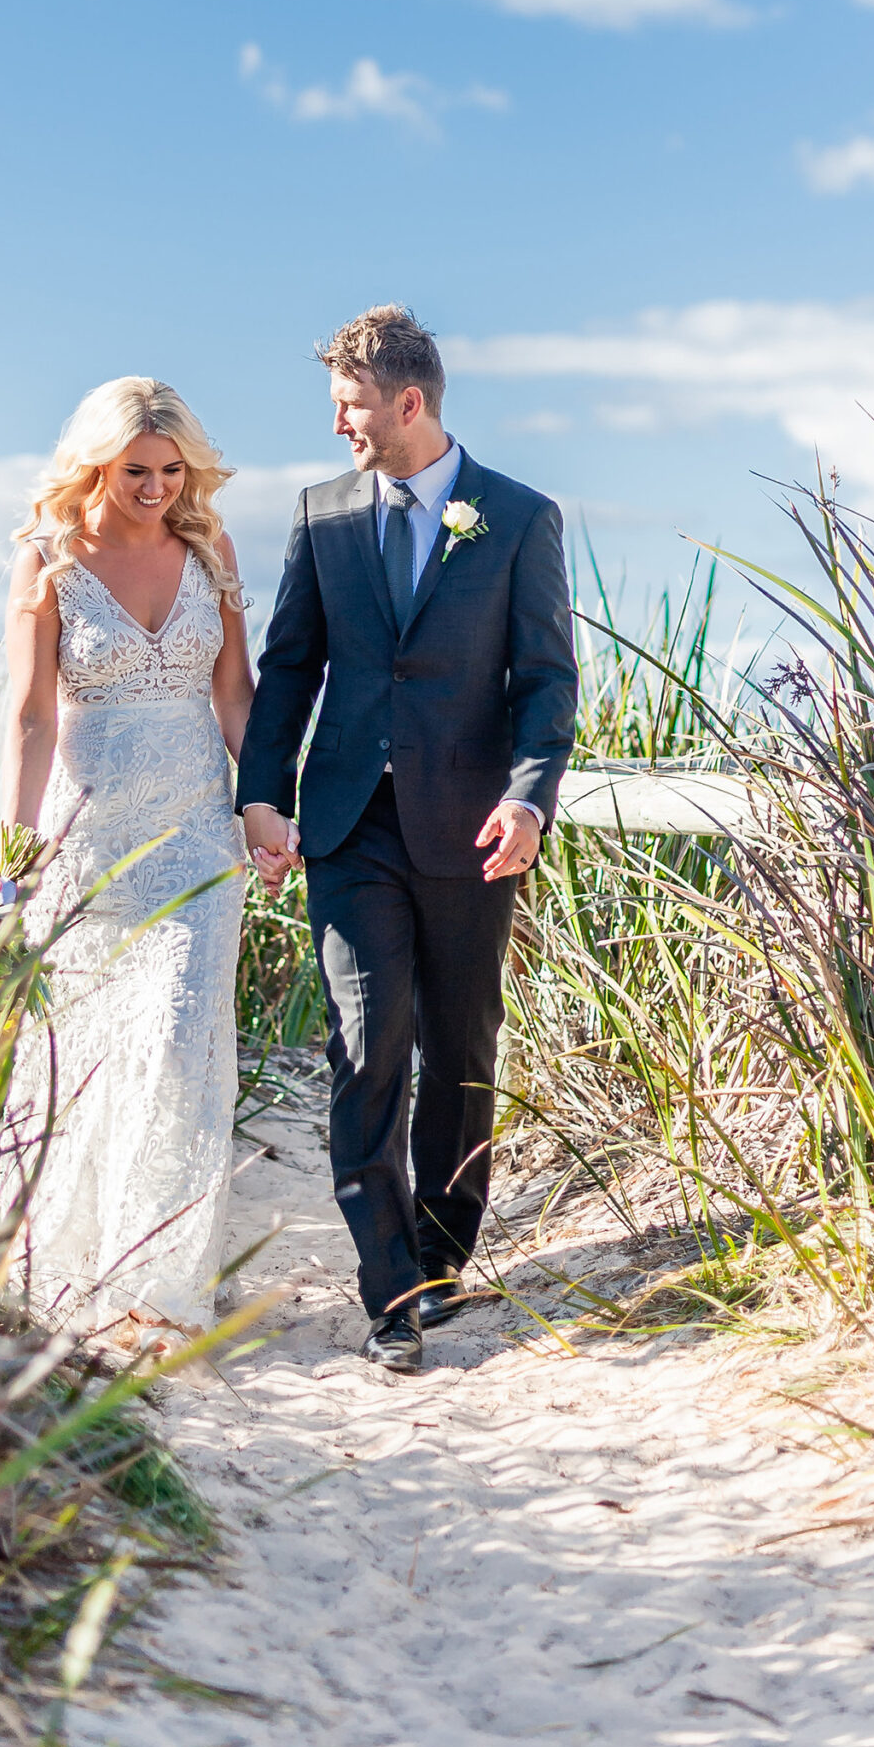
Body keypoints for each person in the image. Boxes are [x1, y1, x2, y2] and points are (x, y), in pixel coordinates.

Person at [237, 305, 577, 1372]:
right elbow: (290, 665)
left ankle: (440, 1251)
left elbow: (547, 680)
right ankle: (388, 1285)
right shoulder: (321, 514)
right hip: (347, 824)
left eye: (352, 408)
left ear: (409, 402)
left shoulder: (519, 518)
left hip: (472, 826)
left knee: (461, 1047)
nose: (342, 428)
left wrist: (528, 798)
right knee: (365, 1035)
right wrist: (260, 795)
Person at [0, 377, 253, 1353]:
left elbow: (236, 694)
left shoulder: (209, 551)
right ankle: (70, 1276)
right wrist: (15, 853)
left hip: (193, 835)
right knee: (89, 1061)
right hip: (88, 843)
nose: (155, 487)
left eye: (171, 469)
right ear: (97, 463)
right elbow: (28, 714)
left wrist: (266, 805)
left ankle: (155, 1292)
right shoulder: (49, 558)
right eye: (136, 469)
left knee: (180, 1048)